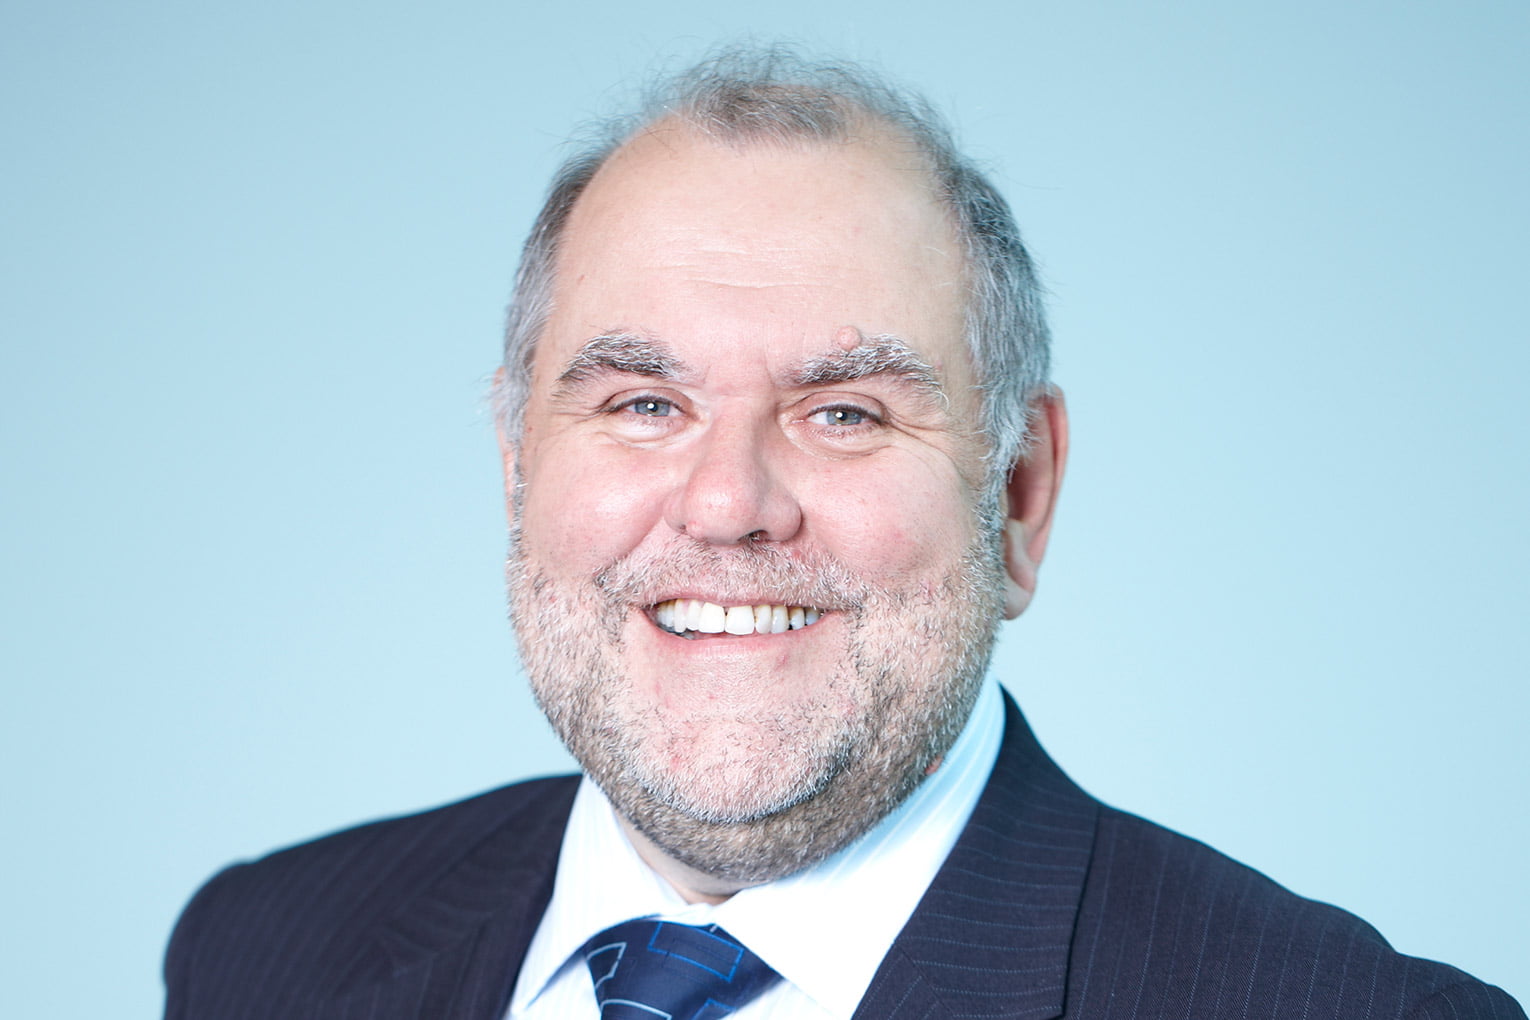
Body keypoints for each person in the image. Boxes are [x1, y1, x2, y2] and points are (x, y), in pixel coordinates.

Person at [163, 46, 1524, 1019]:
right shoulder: (264, 952)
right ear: (519, 468)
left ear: (1018, 494)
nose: (726, 504)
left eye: (845, 412)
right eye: (643, 403)